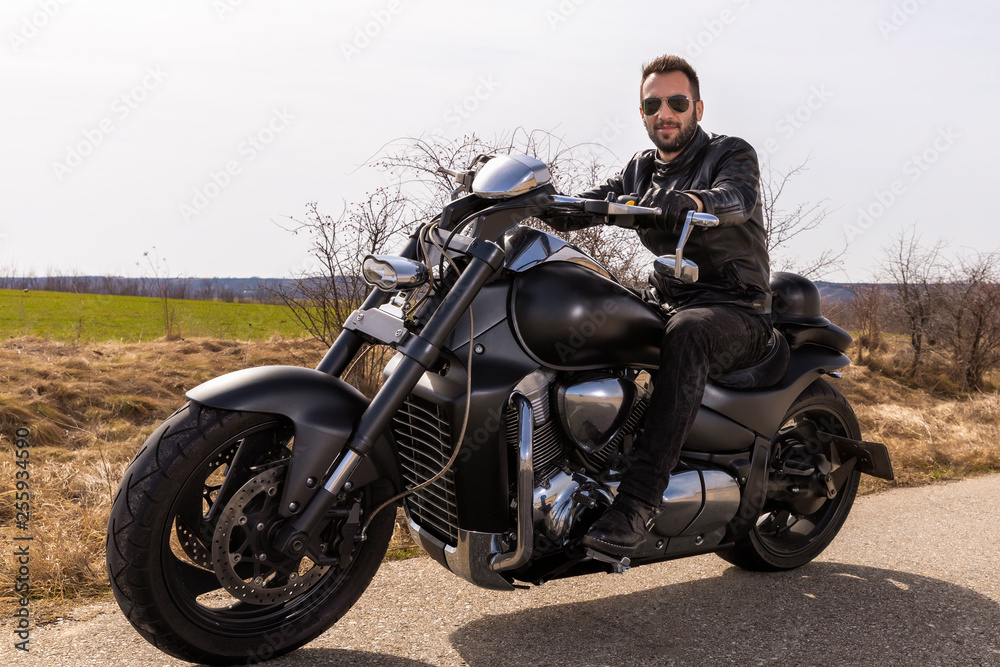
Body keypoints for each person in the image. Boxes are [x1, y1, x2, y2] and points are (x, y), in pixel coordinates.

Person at [565, 54, 774, 558]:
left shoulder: (730, 154)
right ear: (641, 113)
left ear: (696, 108)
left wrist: (696, 202)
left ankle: (639, 502)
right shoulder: (640, 170)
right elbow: (598, 199)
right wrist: (539, 202)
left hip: (737, 309)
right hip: (671, 300)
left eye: (677, 103)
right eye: (653, 104)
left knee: (689, 334)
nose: (666, 112)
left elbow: (735, 197)